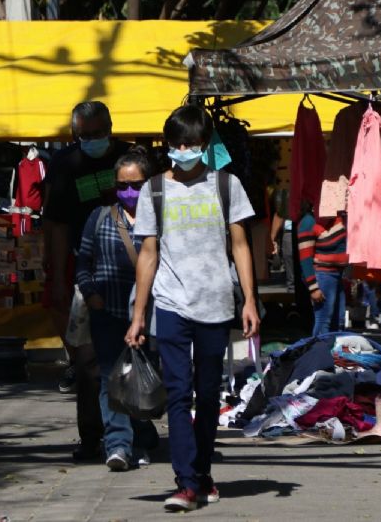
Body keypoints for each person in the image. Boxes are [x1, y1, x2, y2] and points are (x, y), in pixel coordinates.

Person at [126, 106, 260, 512]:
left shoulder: (226, 184)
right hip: (170, 304)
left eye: (191, 143)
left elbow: (240, 245)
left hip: (216, 304)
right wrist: (139, 315)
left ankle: (201, 473)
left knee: (207, 394)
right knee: (178, 393)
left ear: (205, 145)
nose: (182, 150)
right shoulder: (153, 190)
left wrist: (251, 299)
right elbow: (147, 253)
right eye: (176, 143)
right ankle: (185, 482)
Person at [42, 101, 133, 461]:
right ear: (74, 135)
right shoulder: (64, 165)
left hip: (132, 266)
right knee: (89, 362)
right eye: (86, 135)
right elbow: (57, 224)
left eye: (99, 132)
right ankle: (94, 435)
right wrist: (60, 282)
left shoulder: (131, 158)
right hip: (85, 271)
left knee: (134, 354)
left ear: (111, 126)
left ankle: (134, 429)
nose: (94, 139)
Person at [74, 146, 159, 472]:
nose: (128, 192)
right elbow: (83, 262)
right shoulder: (98, 218)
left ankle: (140, 439)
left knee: (140, 379)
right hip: (107, 313)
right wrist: (90, 292)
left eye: (136, 185)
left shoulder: (159, 220)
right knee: (112, 378)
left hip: (147, 313)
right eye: (122, 185)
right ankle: (118, 446)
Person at [297, 202, 349, 336]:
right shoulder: (308, 222)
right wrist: (313, 287)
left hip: (338, 275)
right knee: (324, 321)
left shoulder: (340, 217)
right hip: (323, 276)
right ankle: (318, 354)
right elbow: (305, 258)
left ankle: (332, 354)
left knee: (339, 321)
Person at [269, 187, 295, 292]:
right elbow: (279, 214)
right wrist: (272, 239)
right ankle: (292, 288)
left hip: (300, 229)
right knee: (290, 263)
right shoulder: (283, 191)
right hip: (289, 232)